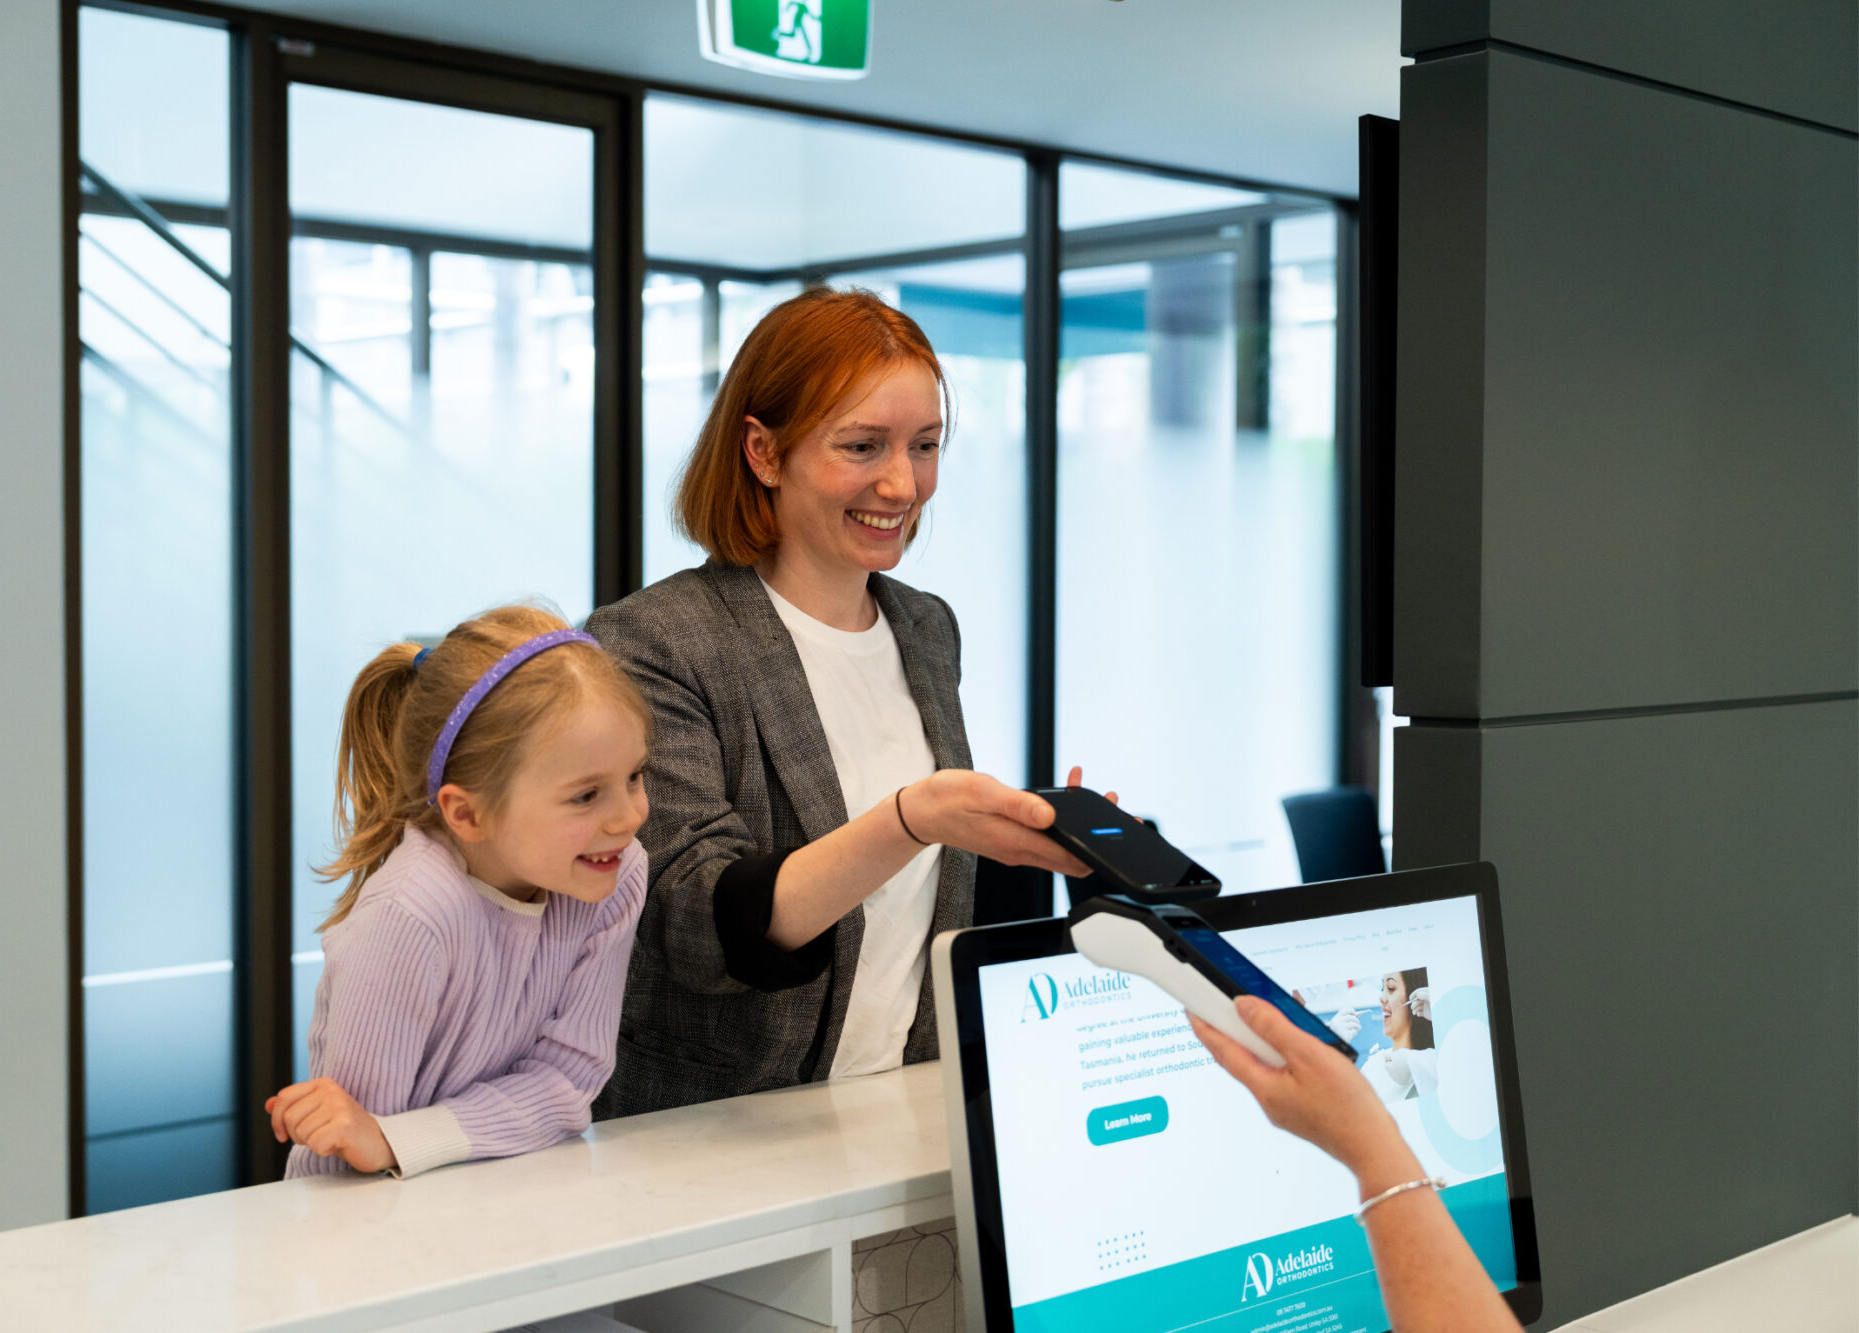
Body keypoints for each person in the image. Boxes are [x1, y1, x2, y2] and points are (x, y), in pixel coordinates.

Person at [587, 287, 1094, 1118]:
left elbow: (925, 908)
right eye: (863, 446)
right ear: (763, 451)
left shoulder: (926, 629)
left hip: (905, 1104)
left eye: (924, 445)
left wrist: (1030, 831)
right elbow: (696, 924)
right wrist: (913, 819)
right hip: (714, 1132)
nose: (902, 483)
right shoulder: (653, 642)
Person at [267, 604, 652, 1178]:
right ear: (467, 814)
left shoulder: (615, 874)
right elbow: (352, 1151)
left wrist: (399, 1141)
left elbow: (568, 1085)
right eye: (585, 795)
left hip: (496, 1204)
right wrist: (388, 1141)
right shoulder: (408, 916)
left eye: (634, 776)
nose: (629, 818)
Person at [1192, 996, 1525, 1333]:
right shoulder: (1380, 1065)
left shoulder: (1414, 1066)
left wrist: (1368, 1141)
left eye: (1392, 987)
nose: (1383, 997)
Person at [1331, 968, 1438, 1101]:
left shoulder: (1432, 1068)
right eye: (1382, 988)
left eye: (1391, 988)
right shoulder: (1374, 1065)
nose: (1381, 998)